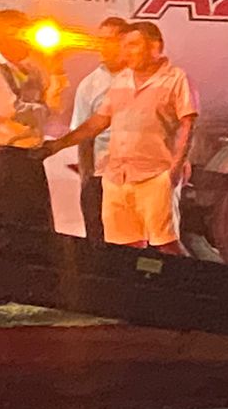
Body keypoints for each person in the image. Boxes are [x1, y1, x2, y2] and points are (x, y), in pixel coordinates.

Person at [44, 21, 198, 253]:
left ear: (155, 47)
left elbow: (188, 124)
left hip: (154, 176)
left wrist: (175, 168)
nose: (124, 51)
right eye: (123, 45)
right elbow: (97, 122)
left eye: (132, 45)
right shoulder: (120, 81)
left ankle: (192, 287)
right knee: (123, 248)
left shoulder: (176, 79)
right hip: (117, 178)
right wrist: (57, 145)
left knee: (166, 245)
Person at [0, 10, 63, 231]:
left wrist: (56, 69)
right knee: (5, 230)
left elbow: (54, 105)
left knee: (38, 229)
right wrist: (43, 110)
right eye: (16, 32)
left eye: (25, 32)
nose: (23, 38)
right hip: (5, 158)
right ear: (0, 36)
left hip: (30, 157)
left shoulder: (32, 68)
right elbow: (12, 109)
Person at [71, 17, 130, 241]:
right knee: (99, 241)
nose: (104, 46)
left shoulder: (145, 79)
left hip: (137, 178)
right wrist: (87, 181)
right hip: (103, 177)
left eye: (111, 40)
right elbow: (83, 135)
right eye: (101, 40)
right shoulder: (90, 85)